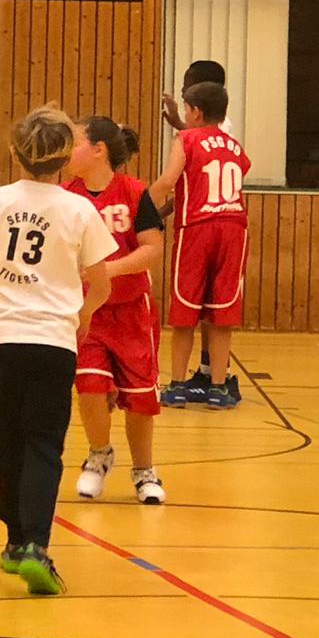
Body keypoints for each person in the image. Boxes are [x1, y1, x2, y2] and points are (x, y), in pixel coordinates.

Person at [0, 105, 115, 595]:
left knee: (8, 435)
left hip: (2, 341)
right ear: (66, 158)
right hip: (54, 341)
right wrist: (84, 315)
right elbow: (102, 284)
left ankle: (13, 538)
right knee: (44, 442)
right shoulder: (79, 209)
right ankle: (35, 546)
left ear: (15, 152)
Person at [62, 117, 166, 505]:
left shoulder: (134, 193)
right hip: (87, 312)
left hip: (132, 311)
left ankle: (144, 470)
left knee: (140, 399)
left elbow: (152, 249)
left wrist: (108, 269)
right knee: (89, 386)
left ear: (98, 150)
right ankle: (99, 454)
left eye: (75, 143)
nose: (67, 151)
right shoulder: (65, 197)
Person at [150, 81, 252, 411]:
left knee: (185, 311)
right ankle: (218, 388)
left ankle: (178, 386)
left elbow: (168, 181)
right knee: (222, 314)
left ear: (194, 112)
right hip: (234, 228)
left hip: (198, 228)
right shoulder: (234, 146)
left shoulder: (186, 139)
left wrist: (142, 210)